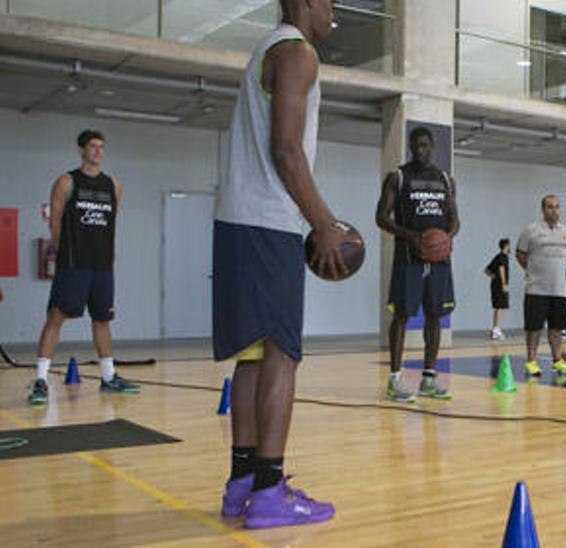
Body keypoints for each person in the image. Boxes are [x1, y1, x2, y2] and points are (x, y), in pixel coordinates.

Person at [213, 0, 338, 528]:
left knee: (253, 357)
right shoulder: (296, 53)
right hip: (269, 223)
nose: (333, 11)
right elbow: (286, 150)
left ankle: (242, 482)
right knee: (282, 356)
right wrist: (324, 223)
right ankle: (268, 490)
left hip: (239, 220)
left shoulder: (265, 50)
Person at [27, 129, 139, 406]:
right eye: (92, 146)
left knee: (102, 319)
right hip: (73, 265)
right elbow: (55, 222)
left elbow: (112, 222)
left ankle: (108, 377)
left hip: (102, 266)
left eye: (101, 147)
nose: (98, 151)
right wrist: (64, 254)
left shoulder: (113, 185)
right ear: (81, 150)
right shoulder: (67, 182)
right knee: (56, 317)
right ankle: (41, 380)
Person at [376, 126, 458, 403]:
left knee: (435, 317)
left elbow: (454, 219)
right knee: (401, 316)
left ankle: (428, 379)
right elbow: (381, 217)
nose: (421, 150)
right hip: (408, 261)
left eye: (425, 145)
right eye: (416, 146)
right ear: (411, 147)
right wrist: (414, 237)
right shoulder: (398, 177)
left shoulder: (445, 179)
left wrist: (446, 238)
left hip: (439, 263)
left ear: (432, 146)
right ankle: (395, 379)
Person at [517, 195, 566, 377]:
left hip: (559, 289)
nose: (554, 210)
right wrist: (535, 271)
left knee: (556, 327)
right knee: (534, 328)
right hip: (536, 289)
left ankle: (557, 360)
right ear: (543, 209)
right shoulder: (531, 230)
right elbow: (520, 255)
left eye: (557, 207)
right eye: (550, 207)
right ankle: (531, 361)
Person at [486, 239, 511, 339]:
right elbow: (501, 269)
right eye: (509, 245)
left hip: (495, 284)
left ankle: (496, 328)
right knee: (499, 307)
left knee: (498, 306)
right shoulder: (503, 257)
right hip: (500, 285)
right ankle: (496, 329)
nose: (510, 247)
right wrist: (504, 283)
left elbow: (487, 270)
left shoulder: (497, 257)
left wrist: (493, 277)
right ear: (506, 246)